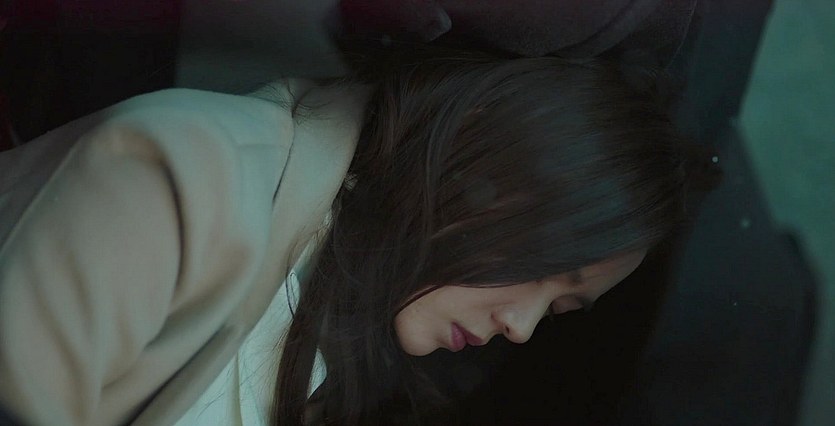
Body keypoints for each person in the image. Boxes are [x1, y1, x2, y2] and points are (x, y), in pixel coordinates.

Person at [0, 42, 688, 426]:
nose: (522, 326)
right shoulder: (184, 178)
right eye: (545, 266)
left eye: (560, 309)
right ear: (485, 161)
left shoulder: (348, 317)